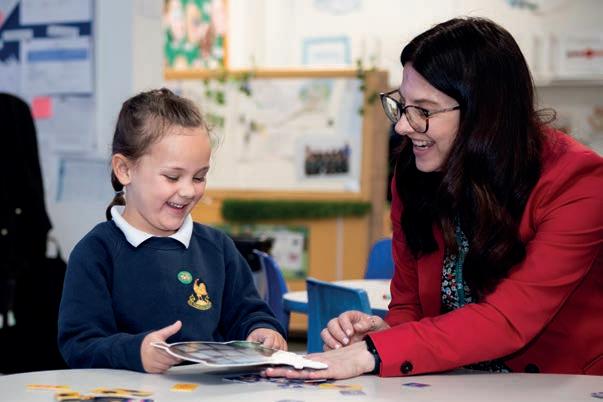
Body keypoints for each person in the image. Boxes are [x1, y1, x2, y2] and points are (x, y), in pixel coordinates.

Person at [266, 17, 603, 380]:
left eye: (423, 110)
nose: (402, 126)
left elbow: (509, 318)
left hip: (561, 385)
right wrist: (385, 335)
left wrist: (374, 353)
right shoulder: (414, 173)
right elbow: (408, 306)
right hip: (455, 382)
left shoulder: (578, 183)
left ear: (484, 114)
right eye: (402, 105)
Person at [58, 88, 287, 374]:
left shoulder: (217, 248)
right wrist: (136, 352)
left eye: (199, 177)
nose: (188, 190)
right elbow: (79, 345)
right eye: (172, 177)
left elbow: (248, 312)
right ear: (124, 170)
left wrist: (262, 330)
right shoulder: (96, 253)